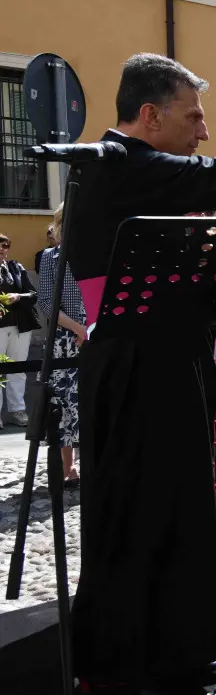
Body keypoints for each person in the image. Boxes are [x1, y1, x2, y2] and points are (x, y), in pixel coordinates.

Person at [64, 53, 216, 695]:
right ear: (150, 115)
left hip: (168, 355)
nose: (202, 130)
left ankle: (175, 650)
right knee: (138, 512)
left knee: (177, 508)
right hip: (139, 362)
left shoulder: (133, 172)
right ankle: (126, 659)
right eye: (193, 116)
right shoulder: (120, 165)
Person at [36, 205, 85, 487]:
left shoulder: (97, 253)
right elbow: (45, 301)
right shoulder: (50, 257)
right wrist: (77, 327)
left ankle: (94, 464)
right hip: (63, 339)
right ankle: (69, 468)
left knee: (92, 402)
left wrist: (89, 329)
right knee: (63, 404)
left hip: (94, 335)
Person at [0, 233, 37, 427]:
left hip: (20, 325)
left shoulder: (16, 267)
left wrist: (18, 296)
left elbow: (33, 294)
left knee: (18, 369)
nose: (2, 249)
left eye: (5, 246)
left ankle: (17, 410)